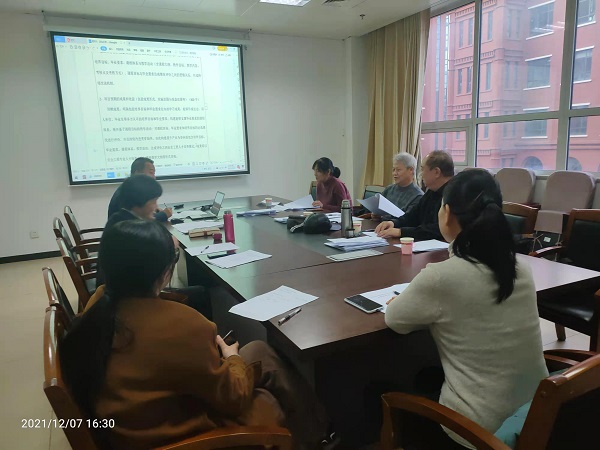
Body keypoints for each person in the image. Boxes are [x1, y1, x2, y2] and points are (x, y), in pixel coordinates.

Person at [61, 220, 333, 450]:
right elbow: (234, 399)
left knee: (260, 351)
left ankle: (319, 432)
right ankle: (318, 437)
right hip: (184, 436)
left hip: (137, 422)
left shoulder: (97, 305)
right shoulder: (183, 325)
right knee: (268, 399)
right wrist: (232, 358)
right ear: (165, 272)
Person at [385, 169, 548, 449]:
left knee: (381, 392)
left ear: (447, 213)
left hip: (476, 434)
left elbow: (395, 320)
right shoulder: (520, 266)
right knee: (427, 375)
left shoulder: (441, 276)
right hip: (537, 415)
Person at [98, 174, 212, 319]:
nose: (156, 207)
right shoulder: (130, 231)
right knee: (200, 293)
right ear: (138, 202)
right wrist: (169, 247)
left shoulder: (121, 220)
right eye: (153, 201)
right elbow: (152, 269)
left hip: (118, 293)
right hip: (130, 300)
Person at [375, 150, 454, 241]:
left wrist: (401, 232)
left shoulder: (454, 194)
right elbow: (412, 216)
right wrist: (393, 223)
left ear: (436, 172)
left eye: (422, 169)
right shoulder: (432, 191)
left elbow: (438, 229)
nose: (421, 174)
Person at [361, 153, 423, 220]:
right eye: (393, 170)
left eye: (398, 170)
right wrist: (375, 214)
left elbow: (408, 220)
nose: (394, 173)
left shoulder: (418, 196)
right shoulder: (389, 189)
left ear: (411, 170)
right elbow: (377, 208)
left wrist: (384, 217)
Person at [108, 157, 172, 221]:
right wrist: (163, 215)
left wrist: (152, 210)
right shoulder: (129, 192)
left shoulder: (129, 188)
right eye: (151, 172)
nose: (154, 177)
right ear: (137, 173)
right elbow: (137, 220)